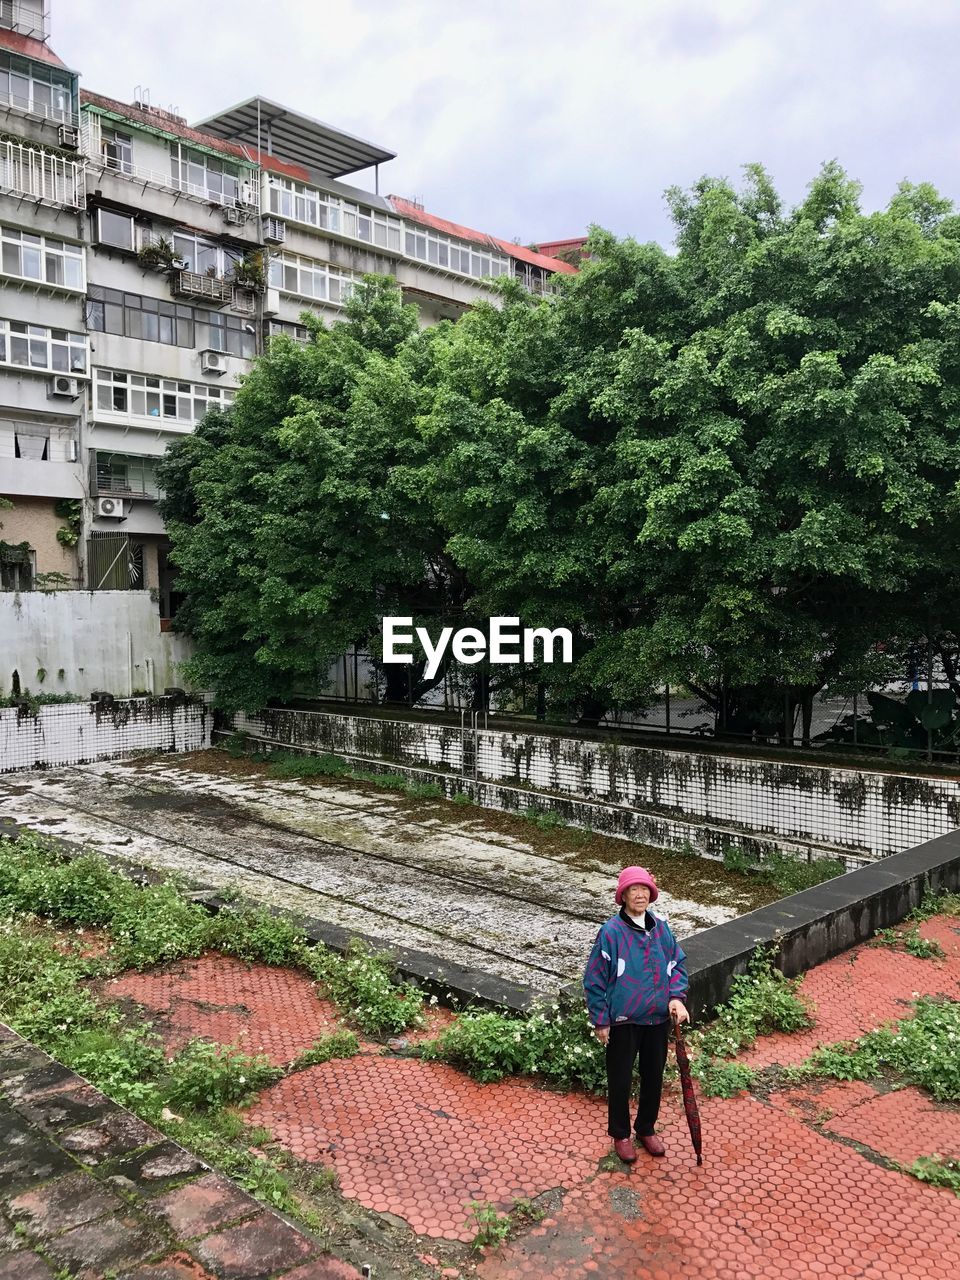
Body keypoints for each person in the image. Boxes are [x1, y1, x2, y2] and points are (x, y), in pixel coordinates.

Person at [583, 865, 690, 1162]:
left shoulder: (661, 927)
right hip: (623, 1020)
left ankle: (646, 1128)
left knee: (653, 1075)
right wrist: (601, 1019)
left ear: (651, 894)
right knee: (619, 1078)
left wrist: (676, 998)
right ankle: (620, 1134)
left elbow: (677, 964)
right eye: (633, 889)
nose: (640, 894)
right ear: (623, 895)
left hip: (657, 1019)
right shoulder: (611, 933)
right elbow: (594, 979)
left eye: (644, 889)